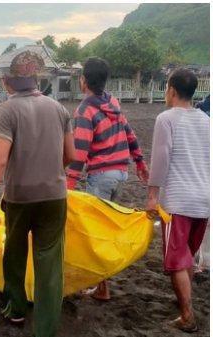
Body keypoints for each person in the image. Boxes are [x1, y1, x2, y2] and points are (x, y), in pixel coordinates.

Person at [0, 51, 75, 337]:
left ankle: (16, 310)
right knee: (49, 265)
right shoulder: (59, 109)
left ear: (6, 81)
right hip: (54, 196)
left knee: (14, 252)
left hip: (18, 197)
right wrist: (52, 173)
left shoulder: (4, 111)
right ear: (37, 79)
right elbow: (71, 155)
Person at [66, 57, 150, 301]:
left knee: (93, 233)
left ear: (83, 81)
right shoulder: (113, 102)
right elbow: (129, 132)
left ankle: (100, 287)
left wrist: (70, 182)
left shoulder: (85, 110)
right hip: (121, 174)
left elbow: (80, 150)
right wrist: (140, 162)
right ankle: (102, 286)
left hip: (102, 176)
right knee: (102, 229)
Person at [146, 68, 209, 333]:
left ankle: (186, 315)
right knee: (187, 257)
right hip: (204, 199)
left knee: (176, 260)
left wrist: (152, 195)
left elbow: (161, 158)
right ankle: (185, 304)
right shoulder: (207, 120)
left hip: (179, 201)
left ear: (170, 89)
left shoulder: (166, 119)